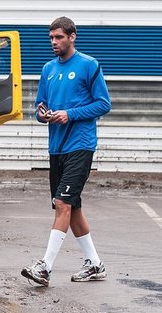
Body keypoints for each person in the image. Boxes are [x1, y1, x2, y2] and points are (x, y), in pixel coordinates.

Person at [21, 16, 111, 287]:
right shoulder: (48, 69)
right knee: (71, 208)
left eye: (59, 37)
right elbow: (39, 105)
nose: (54, 42)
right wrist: (42, 113)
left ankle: (45, 267)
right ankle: (95, 264)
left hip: (80, 145)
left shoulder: (88, 65)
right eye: (51, 38)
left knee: (62, 204)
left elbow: (103, 104)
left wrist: (69, 114)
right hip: (56, 147)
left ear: (73, 37)